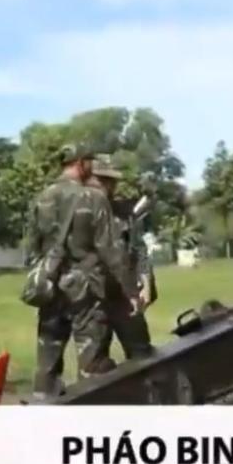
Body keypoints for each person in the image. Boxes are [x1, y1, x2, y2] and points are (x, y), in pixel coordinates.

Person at [27, 144, 135, 398]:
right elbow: (111, 251)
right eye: (89, 161)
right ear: (80, 163)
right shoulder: (93, 198)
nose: (92, 167)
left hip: (51, 289)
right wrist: (131, 291)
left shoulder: (42, 197)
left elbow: (31, 249)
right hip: (86, 294)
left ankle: (42, 407)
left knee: (46, 364)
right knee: (92, 366)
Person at [89, 155, 154, 362]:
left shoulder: (125, 213)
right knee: (94, 362)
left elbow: (140, 249)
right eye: (101, 179)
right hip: (92, 298)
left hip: (125, 296)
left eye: (111, 180)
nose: (107, 185)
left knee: (142, 354)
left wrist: (146, 283)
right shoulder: (78, 213)